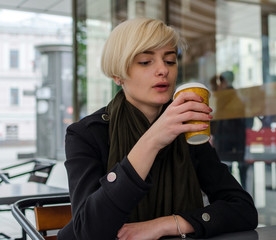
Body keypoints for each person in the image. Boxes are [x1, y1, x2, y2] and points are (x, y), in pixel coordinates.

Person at [58, 17, 258, 240]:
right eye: (145, 62)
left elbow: (243, 209)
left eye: (170, 61)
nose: (163, 70)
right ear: (117, 75)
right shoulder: (86, 134)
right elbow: (89, 231)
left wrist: (166, 224)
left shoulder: (186, 129)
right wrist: (153, 139)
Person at [209, 71, 248, 187]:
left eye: (221, 82)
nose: (219, 85)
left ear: (225, 82)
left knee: (228, 175)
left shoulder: (227, 97)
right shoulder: (232, 97)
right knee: (233, 174)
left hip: (229, 142)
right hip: (232, 142)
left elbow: (223, 120)